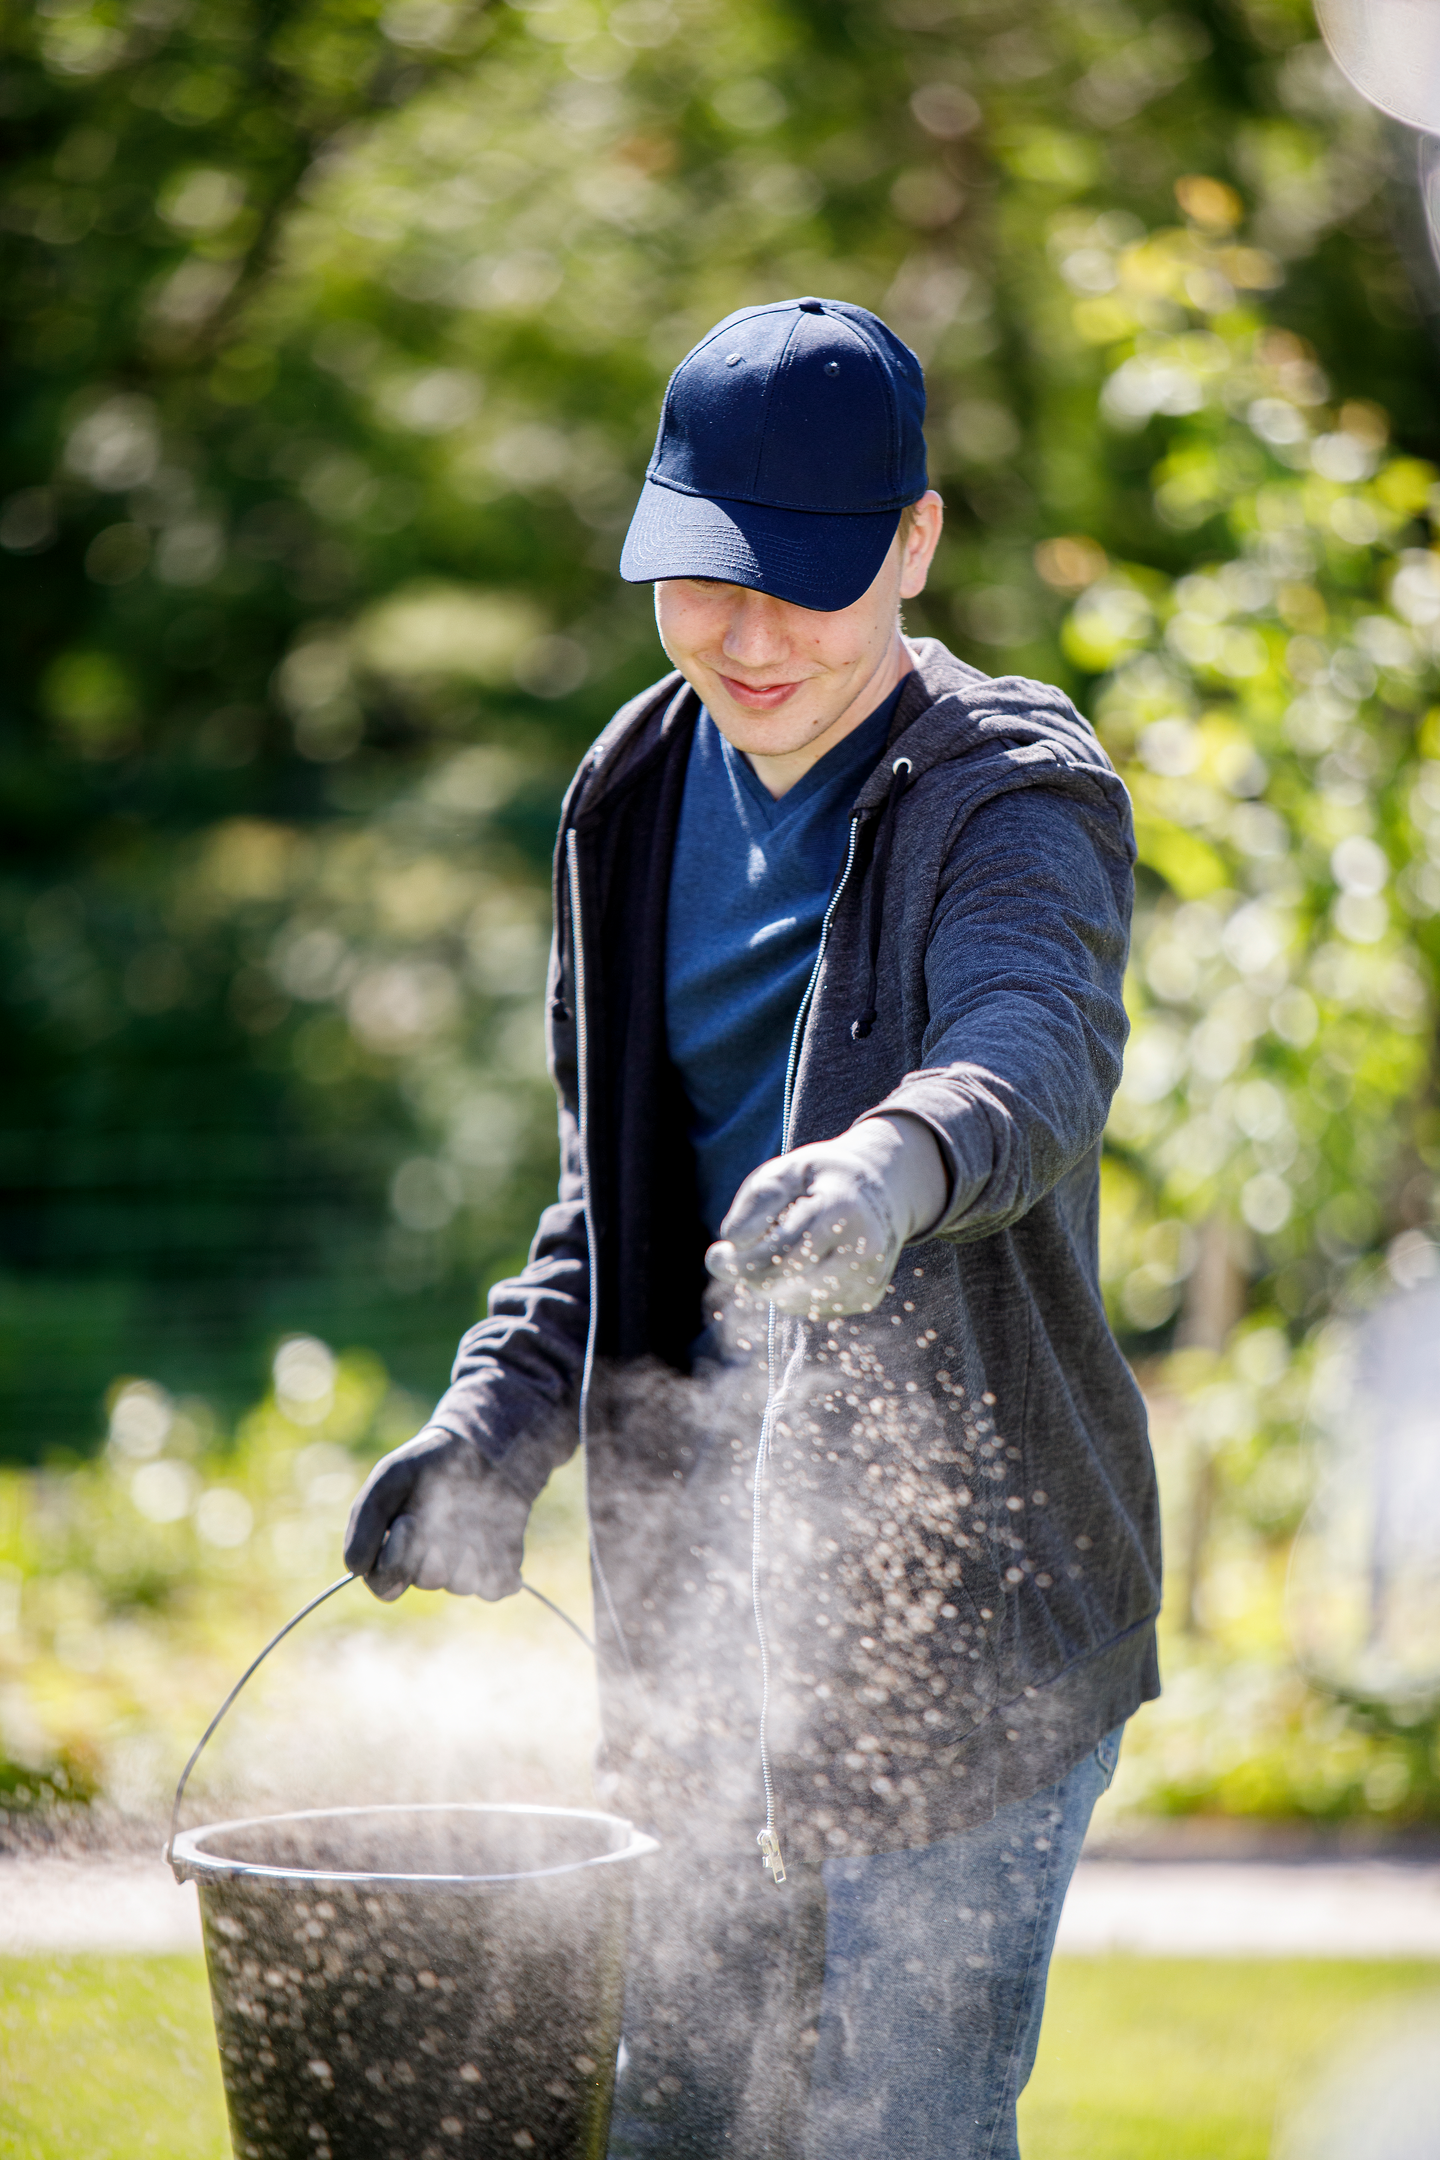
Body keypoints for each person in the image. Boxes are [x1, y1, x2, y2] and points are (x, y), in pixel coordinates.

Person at [344, 296, 1161, 2159]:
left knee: (895, 2134)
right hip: (705, 1629)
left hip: (969, 1631)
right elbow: (607, 1200)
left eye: (808, 577)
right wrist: (491, 1427)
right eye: (707, 574)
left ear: (917, 543)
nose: (751, 633)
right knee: (682, 2122)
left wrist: (887, 1171)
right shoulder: (630, 790)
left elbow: (1032, 1051)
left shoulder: (1013, 788)